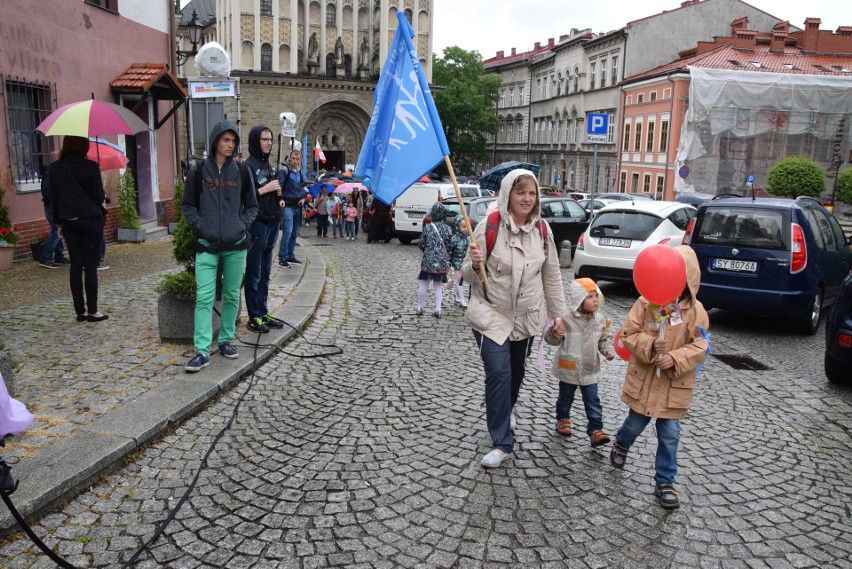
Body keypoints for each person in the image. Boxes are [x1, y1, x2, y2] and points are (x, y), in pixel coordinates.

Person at [462, 169, 567, 469]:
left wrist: (558, 316)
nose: (527, 198)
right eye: (521, 192)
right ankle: (501, 442)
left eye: (532, 193)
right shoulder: (489, 226)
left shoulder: (543, 231)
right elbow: (466, 274)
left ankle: (506, 408)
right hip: (490, 313)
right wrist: (475, 263)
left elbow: (552, 276)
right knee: (499, 372)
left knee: (516, 372)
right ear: (508, 195)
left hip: (525, 317)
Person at [609, 245, 710, 509]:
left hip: (673, 386)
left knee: (669, 435)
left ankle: (665, 480)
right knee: (635, 424)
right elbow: (629, 334)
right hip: (645, 381)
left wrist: (675, 358)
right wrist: (652, 346)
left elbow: (701, 345)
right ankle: (621, 443)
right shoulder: (645, 303)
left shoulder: (697, 311)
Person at [182, 120, 258, 372]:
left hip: (236, 244)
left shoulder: (241, 171)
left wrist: (241, 225)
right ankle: (202, 350)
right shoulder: (198, 171)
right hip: (206, 244)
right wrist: (200, 225)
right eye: (226, 140)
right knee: (204, 297)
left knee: (232, 295)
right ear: (216, 141)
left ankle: (225, 340)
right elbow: (188, 206)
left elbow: (252, 206)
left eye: (233, 141)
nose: (230, 145)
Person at [545, 278, 614, 447]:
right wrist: (555, 332)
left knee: (593, 400)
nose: (595, 300)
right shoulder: (566, 319)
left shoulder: (600, 320)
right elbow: (551, 340)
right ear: (578, 300)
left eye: (596, 296)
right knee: (565, 398)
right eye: (589, 297)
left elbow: (603, 339)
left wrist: (607, 351)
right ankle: (563, 418)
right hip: (569, 369)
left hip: (590, 370)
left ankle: (595, 429)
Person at [48, 135, 109, 322]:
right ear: (84, 147)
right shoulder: (91, 166)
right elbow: (99, 196)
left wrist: (59, 221)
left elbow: (53, 198)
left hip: (69, 220)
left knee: (75, 264)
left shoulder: (55, 168)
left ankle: (80, 312)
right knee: (90, 265)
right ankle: (93, 311)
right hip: (90, 219)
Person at [244, 125, 285, 334]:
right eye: (264, 139)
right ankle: (253, 316)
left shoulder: (267, 165)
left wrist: (277, 196)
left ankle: (262, 310)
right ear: (255, 141)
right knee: (254, 273)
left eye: (270, 139)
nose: (269, 143)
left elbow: (269, 194)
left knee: (266, 272)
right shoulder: (248, 166)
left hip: (271, 223)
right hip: (257, 225)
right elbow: (246, 197)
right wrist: (265, 189)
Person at [415, 202, 452, 317]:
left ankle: (419, 307)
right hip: (441, 261)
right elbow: (450, 246)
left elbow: (421, 243)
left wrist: (428, 251)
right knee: (437, 285)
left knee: (424, 284)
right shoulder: (448, 229)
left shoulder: (428, 227)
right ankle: (438, 309)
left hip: (428, 260)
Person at [277, 150, 305, 266]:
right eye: (293, 158)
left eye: (297, 159)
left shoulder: (299, 172)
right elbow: (279, 185)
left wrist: (303, 198)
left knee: (294, 233)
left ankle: (290, 254)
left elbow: (303, 187)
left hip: (298, 205)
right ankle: (282, 257)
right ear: (290, 158)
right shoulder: (284, 170)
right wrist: (280, 199)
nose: (295, 161)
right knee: (287, 232)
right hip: (287, 205)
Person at [38, 164, 68, 269]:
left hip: (55, 205)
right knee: (56, 230)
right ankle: (45, 258)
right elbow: (47, 192)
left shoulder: (55, 172)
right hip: (53, 206)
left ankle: (59, 257)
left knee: (58, 230)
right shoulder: (50, 172)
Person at [448, 216, 470, 308]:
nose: (466, 229)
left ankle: (457, 297)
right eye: (463, 227)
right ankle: (462, 300)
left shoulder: (469, 239)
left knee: (460, 280)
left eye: (467, 226)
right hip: (456, 264)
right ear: (458, 227)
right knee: (460, 281)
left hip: (465, 263)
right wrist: (448, 263)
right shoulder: (454, 239)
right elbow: (449, 252)